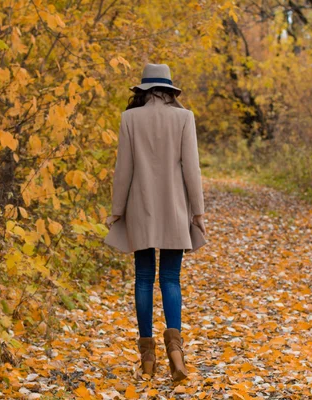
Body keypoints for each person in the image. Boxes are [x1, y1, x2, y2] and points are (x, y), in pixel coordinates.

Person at [103, 63, 207, 382]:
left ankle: (147, 358)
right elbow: (192, 169)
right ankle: (176, 351)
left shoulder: (129, 119)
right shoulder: (184, 117)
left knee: (144, 278)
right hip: (175, 209)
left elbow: (124, 170)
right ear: (170, 90)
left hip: (140, 207)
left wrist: (116, 210)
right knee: (171, 279)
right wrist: (198, 212)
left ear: (143, 90)